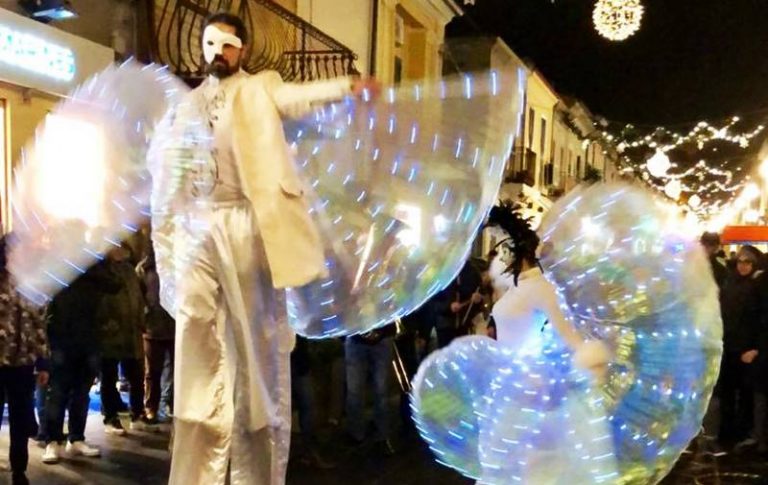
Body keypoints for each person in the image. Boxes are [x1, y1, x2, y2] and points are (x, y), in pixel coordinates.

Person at [149, 11, 378, 485]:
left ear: (243, 50)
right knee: (194, 331)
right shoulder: (186, 105)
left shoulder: (260, 88)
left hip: (247, 226)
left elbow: (297, 98)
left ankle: (258, 473)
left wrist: (346, 87)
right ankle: (197, 471)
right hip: (200, 227)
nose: (217, 53)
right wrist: (168, 242)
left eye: (226, 45)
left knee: (257, 354)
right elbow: (167, 171)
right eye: (210, 44)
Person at [43, 251, 121, 464]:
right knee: (58, 392)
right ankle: (53, 440)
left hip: (89, 337)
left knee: (80, 392)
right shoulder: (58, 263)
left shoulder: (93, 265)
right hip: (62, 337)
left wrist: (95, 262)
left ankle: (76, 438)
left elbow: (115, 284)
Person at [0, 235, 49, 485]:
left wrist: (43, 363)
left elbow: (40, 324)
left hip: (23, 363)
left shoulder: (33, 282)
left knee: (21, 418)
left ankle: (19, 469)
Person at [98, 242, 147, 434]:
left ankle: (137, 413)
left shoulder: (129, 271)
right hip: (111, 334)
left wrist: (141, 319)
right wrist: (107, 323)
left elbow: (138, 296)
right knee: (109, 376)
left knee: (136, 375)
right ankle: (110, 417)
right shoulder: (102, 271)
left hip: (131, 331)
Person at [717, 245, 764, 446]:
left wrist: (756, 348)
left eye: (748, 262)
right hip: (728, 346)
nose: (743, 266)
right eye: (741, 261)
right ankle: (726, 433)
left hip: (747, 349)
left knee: (746, 395)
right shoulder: (730, 283)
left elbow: (761, 320)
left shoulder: (758, 287)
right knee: (727, 393)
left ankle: (743, 432)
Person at [137, 244, 175, 425]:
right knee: (153, 371)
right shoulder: (145, 269)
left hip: (173, 324)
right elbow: (139, 295)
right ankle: (151, 406)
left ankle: (170, 403)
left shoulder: (177, 266)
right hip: (153, 327)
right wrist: (145, 313)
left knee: (175, 369)